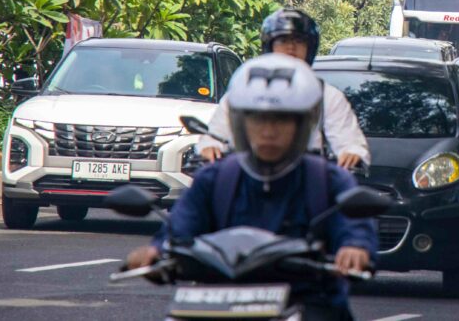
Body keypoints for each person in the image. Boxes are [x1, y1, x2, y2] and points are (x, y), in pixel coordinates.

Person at [125, 54, 378, 320]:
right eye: (258, 119)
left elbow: (354, 226)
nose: (268, 131)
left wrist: (355, 248)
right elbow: (180, 228)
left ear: (303, 123)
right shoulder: (214, 179)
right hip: (218, 304)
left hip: (308, 302)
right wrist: (156, 251)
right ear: (240, 122)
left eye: (281, 119)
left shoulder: (328, 180)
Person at [199, 8, 370, 170]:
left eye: (299, 41)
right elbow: (216, 134)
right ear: (269, 46)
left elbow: (349, 140)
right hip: (248, 176)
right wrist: (210, 147)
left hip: (309, 178)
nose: (291, 47)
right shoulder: (246, 88)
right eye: (283, 41)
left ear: (310, 48)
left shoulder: (326, 94)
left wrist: (351, 153)